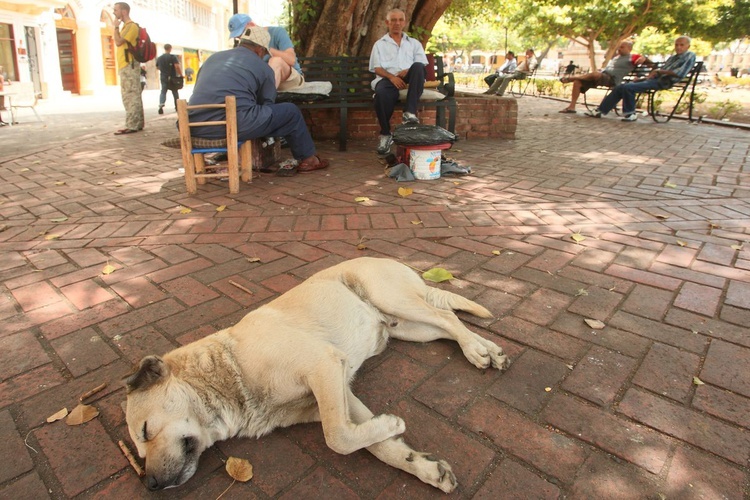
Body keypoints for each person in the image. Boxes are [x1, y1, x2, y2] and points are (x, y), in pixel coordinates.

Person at [188, 26, 328, 174]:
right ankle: (309, 159)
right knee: (290, 111)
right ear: (260, 50)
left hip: (194, 126)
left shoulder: (212, 58)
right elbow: (267, 103)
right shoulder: (262, 67)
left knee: (254, 114)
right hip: (231, 126)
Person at [588, 36, 696, 122]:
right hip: (655, 80)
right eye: (676, 45)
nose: (678, 47)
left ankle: (630, 114)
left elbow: (680, 73)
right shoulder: (673, 57)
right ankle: (600, 111)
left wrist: (658, 72)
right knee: (621, 87)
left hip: (664, 82)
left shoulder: (689, 56)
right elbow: (657, 71)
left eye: (682, 45)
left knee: (628, 87)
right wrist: (643, 78)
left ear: (688, 46)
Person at [369, 8, 428, 155]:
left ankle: (409, 112)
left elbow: (421, 63)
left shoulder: (414, 43)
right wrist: (392, 77)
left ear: (404, 22)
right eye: (393, 20)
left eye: (400, 20)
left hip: (410, 77)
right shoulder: (380, 44)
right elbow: (376, 68)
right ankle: (385, 134)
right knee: (381, 94)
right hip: (387, 78)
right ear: (387, 23)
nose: (397, 23)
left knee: (418, 67)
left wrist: (408, 70)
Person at [558, 41, 650, 114]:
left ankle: (571, 78)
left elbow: (647, 62)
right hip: (603, 75)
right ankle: (572, 107)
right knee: (578, 82)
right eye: (619, 47)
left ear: (629, 49)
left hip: (612, 79)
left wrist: (644, 58)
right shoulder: (616, 57)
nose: (619, 49)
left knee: (595, 74)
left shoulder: (632, 57)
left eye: (622, 47)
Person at [227, 13, 304, 91]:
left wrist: (264, 48)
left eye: (243, 33)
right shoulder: (244, 45)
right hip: (264, 82)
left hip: (290, 79)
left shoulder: (277, 32)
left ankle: (267, 99)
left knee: (276, 61)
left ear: (252, 24)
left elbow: (291, 60)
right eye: (238, 37)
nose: (242, 38)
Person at [112, 2, 144, 135]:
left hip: (129, 65)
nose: (114, 12)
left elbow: (118, 41)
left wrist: (115, 28)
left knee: (130, 95)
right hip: (126, 65)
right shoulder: (126, 26)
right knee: (132, 94)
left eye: (116, 10)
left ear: (124, 11)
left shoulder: (131, 26)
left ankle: (132, 124)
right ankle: (137, 123)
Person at [156, 44, 183, 114]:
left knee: (163, 91)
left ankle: (161, 105)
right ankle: (177, 106)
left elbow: (157, 67)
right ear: (170, 48)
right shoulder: (172, 57)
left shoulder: (159, 58)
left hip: (163, 77)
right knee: (175, 92)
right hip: (172, 77)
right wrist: (181, 75)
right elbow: (177, 66)